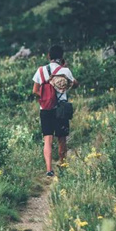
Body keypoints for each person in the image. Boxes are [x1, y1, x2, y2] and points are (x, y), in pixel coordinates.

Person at [32, 45, 79, 177]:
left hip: (45, 109)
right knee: (62, 139)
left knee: (48, 139)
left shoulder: (40, 71)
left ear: (49, 56)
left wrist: (45, 99)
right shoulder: (65, 71)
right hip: (61, 109)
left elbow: (35, 91)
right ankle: (62, 166)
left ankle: (49, 170)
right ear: (62, 57)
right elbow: (75, 84)